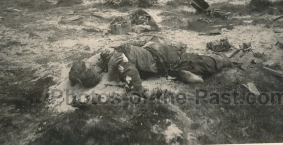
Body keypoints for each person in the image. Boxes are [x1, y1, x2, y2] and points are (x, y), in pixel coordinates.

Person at [69, 36, 232, 98]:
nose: (92, 63)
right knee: (181, 62)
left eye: (90, 66)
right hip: (151, 46)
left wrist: (138, 90)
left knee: (194, 65)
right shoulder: (102, 58)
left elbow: (129, 72)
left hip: (161, 56)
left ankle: (222, 59)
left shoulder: (112, 59)